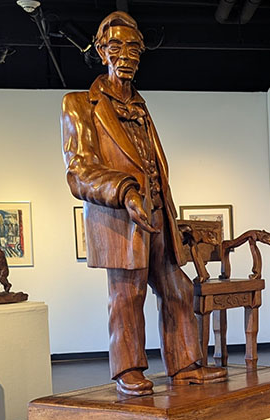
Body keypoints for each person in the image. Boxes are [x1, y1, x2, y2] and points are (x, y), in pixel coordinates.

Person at [61, 11, 224, 395]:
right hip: (119, 219)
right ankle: (128, 370)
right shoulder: (79, 104)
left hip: (158, 216)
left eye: (134, 48)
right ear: (101, 50)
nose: (127, 55)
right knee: (127, 294)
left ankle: (185, 366)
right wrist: (125, 191)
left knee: (178, 288)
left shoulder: (141, 106)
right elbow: (79, 170)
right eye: (117, 46)